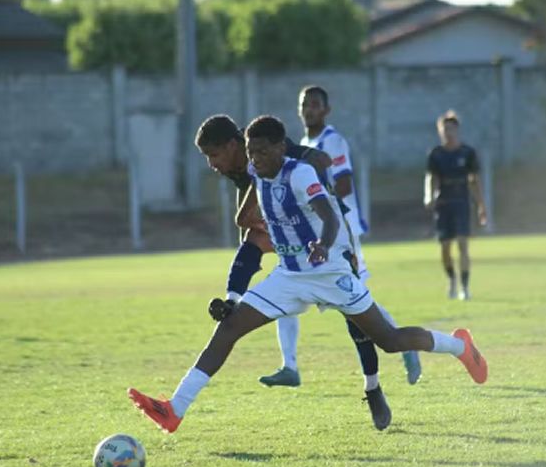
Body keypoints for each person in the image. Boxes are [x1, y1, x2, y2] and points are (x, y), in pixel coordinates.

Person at [128, 115, 488, 434]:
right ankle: (175, 409)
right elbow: (248, 224)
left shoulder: (299, 174)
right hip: (289, 276)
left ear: (281, 149)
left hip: (329, 272)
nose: (256, 160)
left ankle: (460, 347)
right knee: (230, 327)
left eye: (263, 153)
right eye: (252, 154)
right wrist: (234, 290)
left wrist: (323, 244)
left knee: (389, 340)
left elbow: (329, 216)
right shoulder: (256, 171)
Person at [195, 114, 392, 429]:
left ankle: (373, 386)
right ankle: (237, 307)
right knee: (250, 243)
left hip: (330, 235)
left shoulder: (259, 147)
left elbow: (318, 159)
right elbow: (245, 217)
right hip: (292, 241)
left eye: (213, 155)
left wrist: (311, 202)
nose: (211, 164)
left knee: (356, 317)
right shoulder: (241, 170)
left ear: (234, 146)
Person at [292, 84, 422, 385]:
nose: (308, 110)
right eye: (304, 105)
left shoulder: (332, 141)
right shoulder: (303, 142)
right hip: (324, 232)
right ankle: (290, 365)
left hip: (343, 230)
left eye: (314, 104)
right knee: (351, 299)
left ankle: (406, 344)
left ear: (326, 110)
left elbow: (345, 184)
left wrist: (319, 201)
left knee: (357, 297)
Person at [424, 110, 487, 300]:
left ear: (457, 130)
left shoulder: (467, 153)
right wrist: (429, 196)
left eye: (451, 129)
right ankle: (452, 279)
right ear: (439, 131)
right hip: (444, 203)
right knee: (445, 248)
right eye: (444, 129)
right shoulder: (436, 154)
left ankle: (465, 287)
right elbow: (431, 177)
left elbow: (475, 180)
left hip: (461, 202)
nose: (447, 133)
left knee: (463, 245)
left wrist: (481, 206)